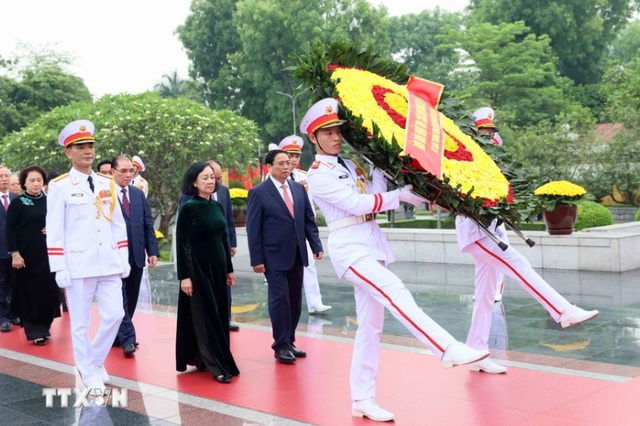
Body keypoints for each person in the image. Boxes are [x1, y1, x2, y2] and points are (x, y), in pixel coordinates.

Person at [302, 98, 490, 422]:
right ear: (313, 138)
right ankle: (446, 348)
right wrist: (397, 196)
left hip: (371, 243)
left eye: (338, 131)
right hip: (350, 247)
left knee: (371, 327)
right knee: (395, 291)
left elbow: (373, 191)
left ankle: (362, 398)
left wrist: (379, 164)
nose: (335, 137)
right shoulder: (318, 173)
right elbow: (355, 203)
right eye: (327, 132)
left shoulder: (351, 164)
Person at [458, 108, 599, 374]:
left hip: (492, 230)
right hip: (476, 230)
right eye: (483, 133)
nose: (489, 137)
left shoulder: (491, 158)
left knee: (486, 296)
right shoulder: (465, 161)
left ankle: (476, 352)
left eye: (491, 133)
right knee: (519, 264)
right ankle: (562, 310)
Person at [46, 119, 130, 393]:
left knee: (115, 315)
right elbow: (55, 229)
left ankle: (92, 361)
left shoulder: (107, 183)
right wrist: (59, 266)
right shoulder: (59, 186)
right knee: (80, 324)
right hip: (78, 264)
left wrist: (124, 256)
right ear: (68, 153)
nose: (88, 151)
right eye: (80, 146)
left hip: (109, 262)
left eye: (90, 145)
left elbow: (117, 222)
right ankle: (89, 373)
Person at [246, 149, 324, 364]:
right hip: (273, 257)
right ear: (269, 167)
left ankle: (289, 341)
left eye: (288, 163)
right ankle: (280, 346)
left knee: (294, 301)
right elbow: (254, 229)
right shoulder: (259, 192)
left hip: (297, 254)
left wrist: (315, 245)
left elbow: (308, 220)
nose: (286, 167)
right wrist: (257, 260)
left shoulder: (298, 189)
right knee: (279, 300)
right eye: (280, 163)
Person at [175, 162, 239, 383]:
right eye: (205, 178)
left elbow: (223, 239)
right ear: (194, 182)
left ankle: (211, 358)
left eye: (212, 177)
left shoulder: (217, 206)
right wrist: (184, 276)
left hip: (218, 269)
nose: (210, 181)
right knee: (205, 317)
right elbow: (181, 243)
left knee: (220, 315)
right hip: (197, 269)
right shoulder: (189, 207)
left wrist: (229, 270)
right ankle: (215, 365)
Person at [277, 135, 332, 314]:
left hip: (302, 229)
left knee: (309, 265)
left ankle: (315, 303)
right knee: (283, 269)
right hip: (283, 232)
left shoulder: (305, 177)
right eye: (290, 155)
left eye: (296, 156)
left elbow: (311, 202)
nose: (293, 159)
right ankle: (284, 304)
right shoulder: (274, 180)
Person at [111, 155, 159, 357]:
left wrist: (153, 250)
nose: (128, 175)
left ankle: (117, 335)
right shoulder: (105, 195)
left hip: (137, 255)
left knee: (130, 298)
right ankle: (128, 339)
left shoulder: (137, 194)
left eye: (131, 170)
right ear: (113, 172)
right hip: (114, 257)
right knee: (119, 297)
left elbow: (147, 223)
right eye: (123, 171)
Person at [7, 166, 60, 345]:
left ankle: (45, 325)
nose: (36, 184)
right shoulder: (18, 202)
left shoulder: (50, 200)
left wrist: (53, 229)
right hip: (27, 256)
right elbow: (10, 230)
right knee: (30, 293)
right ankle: (35, 330)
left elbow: (60, 221)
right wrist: (15, 254)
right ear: (24, 182)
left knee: (50, 291)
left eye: (39, 180)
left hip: (48, 254)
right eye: (31, 180)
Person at [0, 166, 19, 332]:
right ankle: (3, 318)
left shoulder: (16, 198)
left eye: (7, 176)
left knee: (15, 284)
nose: (4, 179)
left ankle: (14, 314)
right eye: (1, 176)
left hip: (16, 251)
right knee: (1, 285)